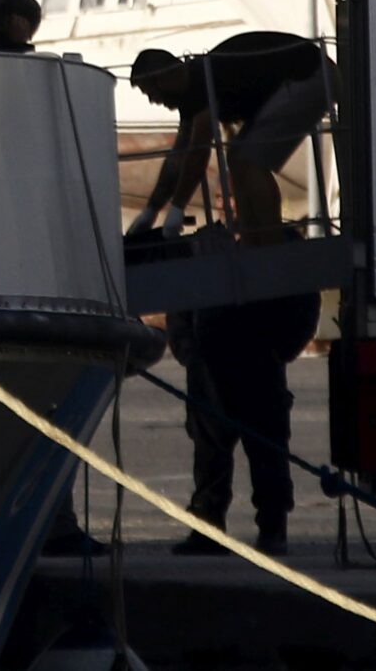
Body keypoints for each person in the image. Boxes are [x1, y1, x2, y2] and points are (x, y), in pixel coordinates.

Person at [125, 32, 334, 244]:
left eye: (150, 92)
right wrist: (151, 209)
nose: (153, 101)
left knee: (249, 161)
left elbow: (198, 152)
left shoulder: (200, 81)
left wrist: (177, 208)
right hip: (311, 73)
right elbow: (179, 155)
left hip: (312, 74)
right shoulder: (194, 85)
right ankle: (253, 241)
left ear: (164, 79)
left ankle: (271, 241)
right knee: (236, 157)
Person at [167, 291, 324, 555]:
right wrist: (189, 351)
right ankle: (208, 525)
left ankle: (273, 526)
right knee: (209, 452)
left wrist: (283, 348)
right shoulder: (203, 260)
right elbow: (181, 294)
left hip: (261, 355)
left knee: (268, 448)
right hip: (208, 360)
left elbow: (302, 292)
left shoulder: (273, 262)